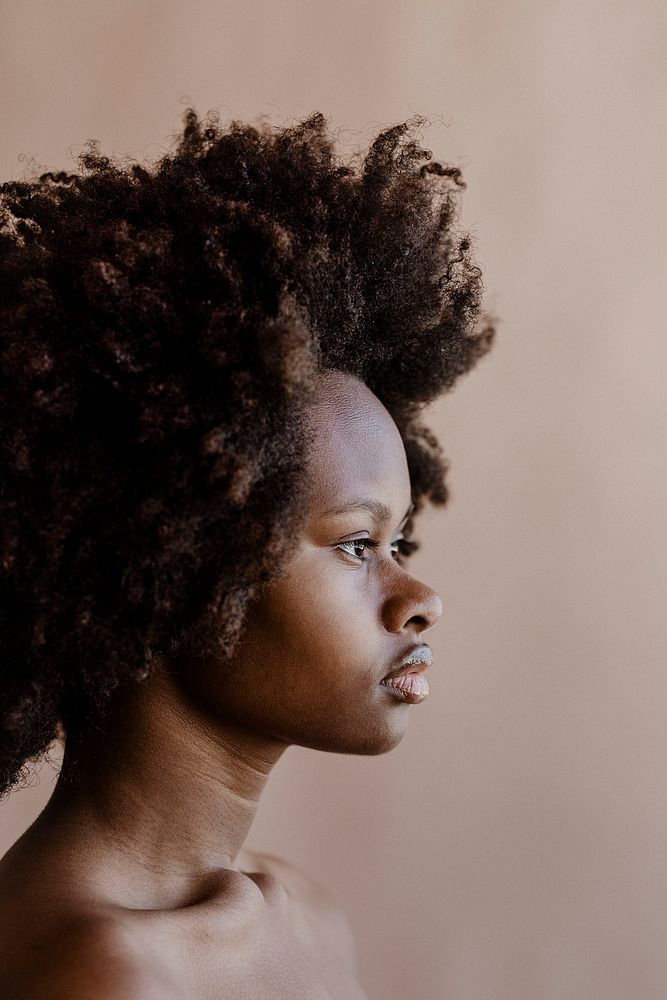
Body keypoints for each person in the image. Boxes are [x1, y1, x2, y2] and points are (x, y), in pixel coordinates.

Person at [0, 109, 494, 998]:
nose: (418, 596)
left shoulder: (306, 922)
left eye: (401, 541)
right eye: (356, 545)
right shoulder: (92, 972)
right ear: (178, 559)